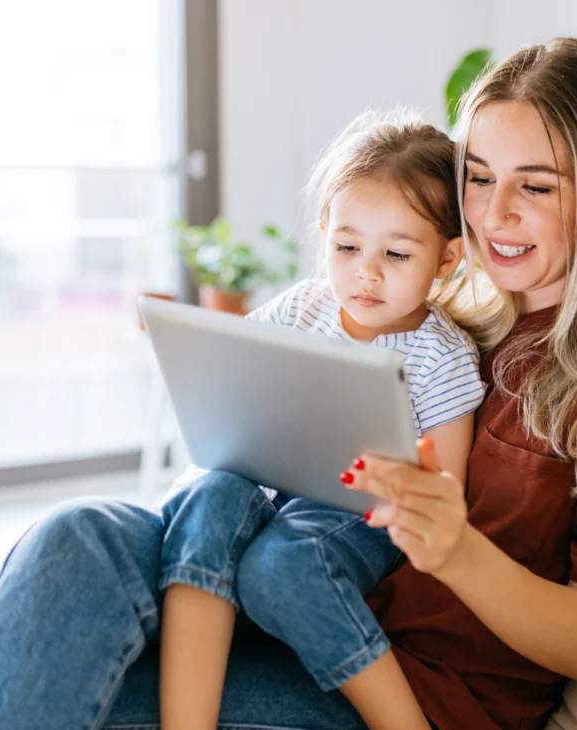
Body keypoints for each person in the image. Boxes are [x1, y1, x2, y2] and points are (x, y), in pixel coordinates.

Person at [0, 37, 577, 730]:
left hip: (389, 675)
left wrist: (455, 550)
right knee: (76, 535)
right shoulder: (455, 302)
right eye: (479, 178)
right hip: (265, 582)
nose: (493, 215)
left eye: (538, 185)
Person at [157, 111, 483, 730]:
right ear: (324, 232)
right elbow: (231, 377)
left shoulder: (442, 356)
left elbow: (447, 492)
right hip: (272, 485)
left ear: (446, 260)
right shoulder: (303, 306)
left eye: (396, 253)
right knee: (208, 496)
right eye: (347, 246)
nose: (366, 270)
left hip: (359, 516)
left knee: (288, 561)